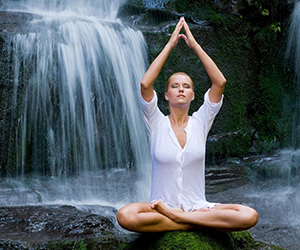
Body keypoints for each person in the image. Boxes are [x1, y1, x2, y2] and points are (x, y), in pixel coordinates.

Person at [117, 17, 258, 232]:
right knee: (125, 216)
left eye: (186, 86)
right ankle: (189, 223)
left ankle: (177, 219)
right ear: (166, 95)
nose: (181, 89)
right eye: (175, 86)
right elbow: (145, 83)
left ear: (193, 95)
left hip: (198, 207)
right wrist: (170, 44)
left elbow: (219, 82)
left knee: (249, 215)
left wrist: (195, 46)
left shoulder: (201, 122)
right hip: (159, 207)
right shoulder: (155, 122)